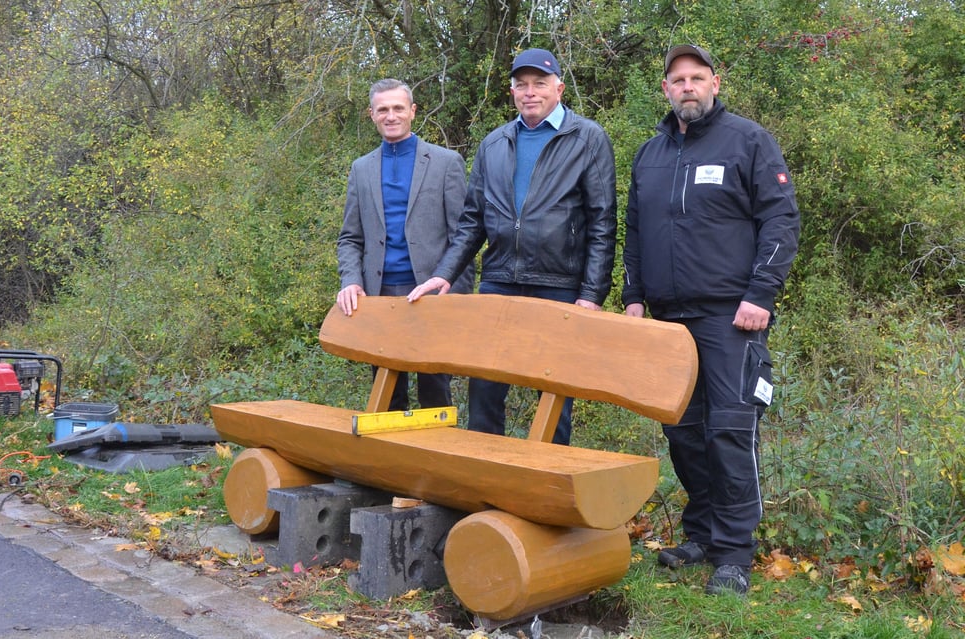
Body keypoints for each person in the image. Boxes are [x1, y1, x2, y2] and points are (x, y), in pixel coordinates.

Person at [622, 44, 800, 595]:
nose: (688, 87)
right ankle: (701, 534)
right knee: (684, 432)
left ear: (715, 83)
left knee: (729, 428)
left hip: (732, 317)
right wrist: (632, 296)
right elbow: (635, 230)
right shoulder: (650, 155)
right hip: (667, 320)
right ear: (666, 90)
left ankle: (734, 555)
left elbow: (781, 220)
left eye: (697, 78)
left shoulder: (747, 141)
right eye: (678, 80)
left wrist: (761, 294)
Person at [408, 49, 617, 445]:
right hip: (499, 281)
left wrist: (591, 294)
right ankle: (486, 488)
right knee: (484, 390)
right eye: (521, 85)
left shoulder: (587, 137)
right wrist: (444, 273)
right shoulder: (494, 143)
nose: (530, 92)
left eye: (539, 83)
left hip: (559, 285)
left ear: (559, 88)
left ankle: (549, 493)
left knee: (554, 399)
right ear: (512, 92)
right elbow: (473, 221)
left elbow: (602, 221)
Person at [336, 78, 473, 411]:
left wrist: (455, 296)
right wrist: (351, 280)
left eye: (398, 108)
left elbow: (464, 236)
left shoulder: (445, 163)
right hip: (377, 296)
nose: (391, 116)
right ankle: (388, 462)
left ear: (412, 111)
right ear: (371, 114)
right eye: (383, 109)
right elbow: (350, 238)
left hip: (430, 293)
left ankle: (438, 460)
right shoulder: (362, 169)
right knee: (387, 394)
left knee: (435, 391)